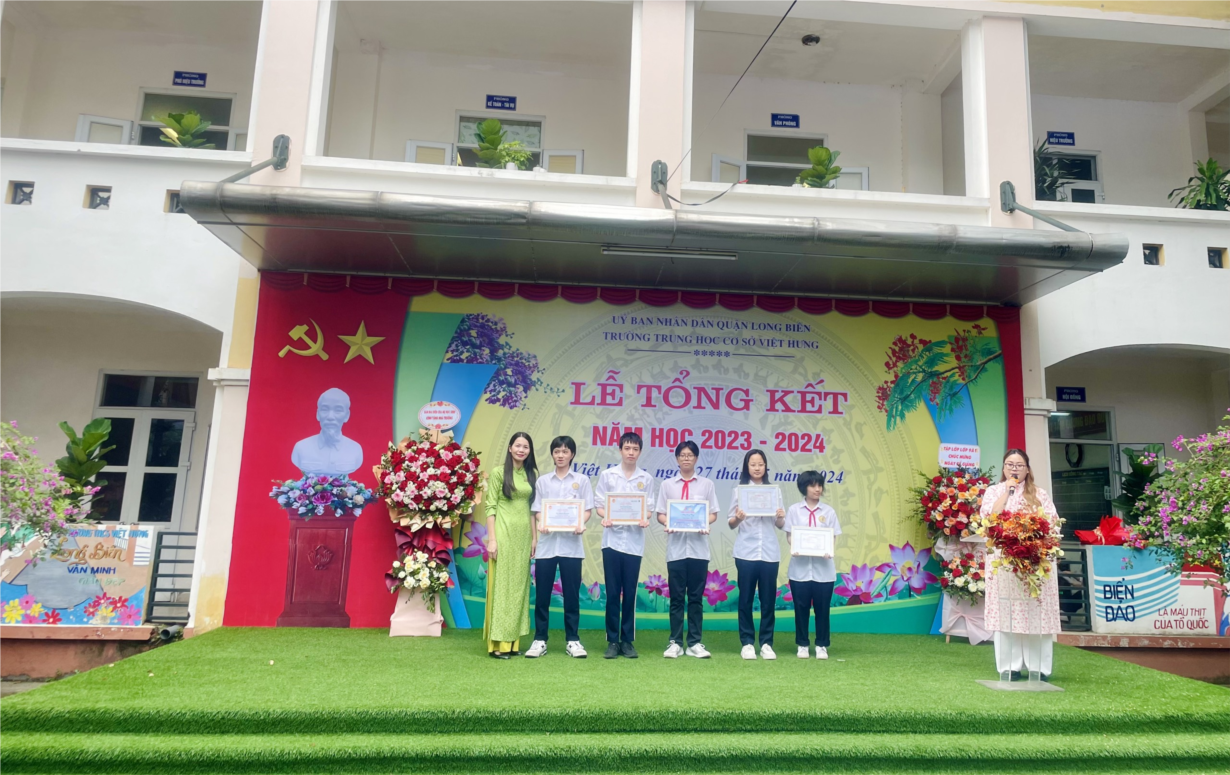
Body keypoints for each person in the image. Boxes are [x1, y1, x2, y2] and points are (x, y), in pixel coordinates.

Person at [979, 448, 1062, 680]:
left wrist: (1036, 541)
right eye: (1009, 464)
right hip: (1005, 560)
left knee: (1036, 612)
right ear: (1004, 468)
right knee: (1008, 612)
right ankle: (1010, 667)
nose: (1014, 469)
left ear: (1027, 469)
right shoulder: (994, 491)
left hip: (1035, 560)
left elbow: (1053, 524)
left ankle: (1039, 667)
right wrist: (1006, 493)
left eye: (1019, 465)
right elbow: (988, 520)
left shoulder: (1039, 494)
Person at [526, 436, 594, 659]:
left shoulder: (582, 480)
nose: (561, 455)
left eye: (565, 451)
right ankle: (540, 639)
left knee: (572, 596)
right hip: (547, 547)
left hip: (571, 547)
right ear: (552, 454)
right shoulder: (543, 481)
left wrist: (580, 523)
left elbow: (587, 510)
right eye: (557, 451)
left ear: (572, 454)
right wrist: (542, 523)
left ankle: (573, 640)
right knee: (542, 595)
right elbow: (537, 510)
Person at [655, 440, 719, 659]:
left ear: (696, 458)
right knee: (676, 598)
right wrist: (668, 522)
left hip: (699, 551)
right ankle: (675, 642)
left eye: (690, 455)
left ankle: (694, 642)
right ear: (677, 458)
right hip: (676, 550)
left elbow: (713, 513)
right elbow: (661, 514)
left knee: (695, 598)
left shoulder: (707, 485)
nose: (686, 458)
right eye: (682, 455)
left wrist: (705, 523)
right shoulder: (667, 485)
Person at [595, 432, 654, 659]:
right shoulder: (608, 475)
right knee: (612, 593)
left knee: (630, 593)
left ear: (640, 452)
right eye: (627, 448)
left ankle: (627, 641)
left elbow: (648, 508)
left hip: (634, 543)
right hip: (611, 542)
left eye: (635, 449)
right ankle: (612, 641)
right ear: (620, 450)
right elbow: (600, 505)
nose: (631, 452)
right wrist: (606, 517)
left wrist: (645, 518)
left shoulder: (646, 479)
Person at [482, 432, 538, 658]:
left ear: (529, 451)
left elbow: (532, 510)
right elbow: (490, 507)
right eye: (518, 445)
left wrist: (534, 538)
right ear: (510, 448)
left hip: (523, 538)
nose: (521, 450)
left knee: (518, 589)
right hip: (503, 536)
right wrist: (492, 539)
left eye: (525, 447)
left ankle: (513, 643)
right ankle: (498, 645)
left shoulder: (531, 474)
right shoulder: (498, 472)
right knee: (503, 589)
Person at [728, 449, 786, 660]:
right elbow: (731, 523)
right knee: (745, 599)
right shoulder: (739, 492)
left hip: (769, 552)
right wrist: (739, 518)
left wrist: (780, 516)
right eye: (753, 464)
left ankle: (767, 643)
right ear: (747, 467)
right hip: (746, 552)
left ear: (765, 466)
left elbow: (780, 524)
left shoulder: (774, 492)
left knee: (768, 600)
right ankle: (747, 643)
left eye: (760, 464)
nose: (757, 468)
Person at [783, 471, 840, 660]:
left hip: (824, 570)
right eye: (813, 485)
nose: (817, 489)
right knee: (801, 608)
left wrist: (829, 549)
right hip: (799, 569)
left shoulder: (829, 512)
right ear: (804, 488)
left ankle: (822, 645)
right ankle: (802, 644)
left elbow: (833, 537)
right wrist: (795, 546)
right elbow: (790, 535)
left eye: (820, 485)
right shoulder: (794, 510)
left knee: (823, 609)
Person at [291, 388, 364, 476]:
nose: (330, 417)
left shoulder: (355, 449)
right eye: (325, 409)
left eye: (338, 410)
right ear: (318, 414)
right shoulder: (301, 448)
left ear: (346, 415)